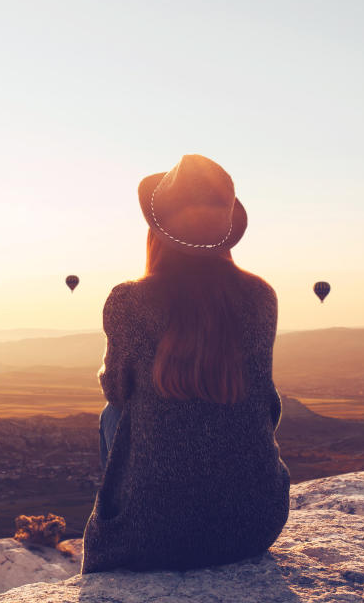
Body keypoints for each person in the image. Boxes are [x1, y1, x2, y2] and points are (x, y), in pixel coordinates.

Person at [82, 154, 290, 573]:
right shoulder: (261, 297)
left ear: (157, 232)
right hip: (253, 524)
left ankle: (132, 508)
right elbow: (264, 399)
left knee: (113, 414)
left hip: (149, 535)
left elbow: (117, 390)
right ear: (226, 234)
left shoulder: (128, 301)